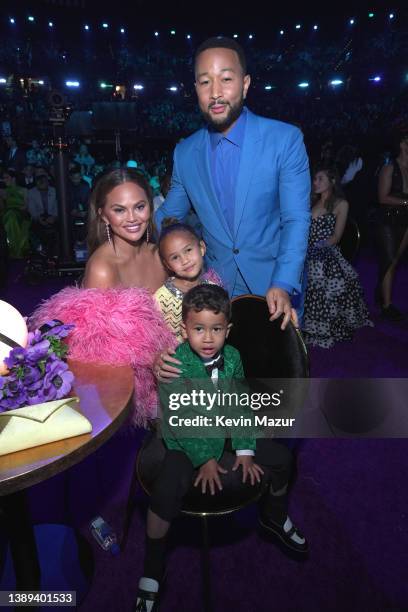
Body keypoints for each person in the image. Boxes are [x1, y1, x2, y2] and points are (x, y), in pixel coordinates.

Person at [135, 284, 307, 611]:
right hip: (183, 440)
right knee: (168, 486)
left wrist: (244, 450)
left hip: (225, 430)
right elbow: (180, 415)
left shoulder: (233, 357)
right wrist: (204, 461)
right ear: (185, 328)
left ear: (227, 330)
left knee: (283, 459)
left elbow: (239, 404)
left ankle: (274, 516)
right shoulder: (175, 363)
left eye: (216, 329)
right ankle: (153, 567)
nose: (208, 337)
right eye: (198, 329)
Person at [155, 36, 310, 379]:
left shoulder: (284, 139)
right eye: (205, 81)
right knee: (223, 382)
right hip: (216, 289)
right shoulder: (186, 151)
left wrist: (284, 281)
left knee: (278, 384)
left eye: (226, 78)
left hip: (274, 287)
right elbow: (169, 218)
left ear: (245, 83)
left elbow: (296, 218)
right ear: (195, 87)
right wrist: (129, 234)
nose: (215, 91)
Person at [30, 168, 174, 425]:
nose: (132, 218)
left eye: (139, 206)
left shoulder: (159, 254)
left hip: (175, 367)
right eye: (119, 210)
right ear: (104, 216)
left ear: (150, 208)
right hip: (138, 387)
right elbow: (97, 349)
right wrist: (151, 358)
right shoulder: (102, 267)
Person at [303, 167, 372, 348]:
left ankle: (322, 328)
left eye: (320, 178)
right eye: (314, 179)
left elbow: (336, 237)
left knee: (318, 274)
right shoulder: (310, 202)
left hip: (325, 253)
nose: (315, 182)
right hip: (304, 252)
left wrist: (316, 249)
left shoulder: (341, 204)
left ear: (332, 181)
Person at [154, 219, 222, 342]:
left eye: (188, 250)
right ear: (167, 265)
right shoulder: (161, 300)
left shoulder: (215, 289)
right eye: (175, 257)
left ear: (201, 248)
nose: (185, 260)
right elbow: (155, 341)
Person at [375, 129, 408, 321]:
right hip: (387, 219)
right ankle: (386, 305)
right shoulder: (389, 167)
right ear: (403, 144)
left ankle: (384, 299)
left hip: (405, 219)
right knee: (387, 259)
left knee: (395, 260)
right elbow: (382, 197)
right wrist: (405, 202)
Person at [0, 169, 30, 258]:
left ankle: (16, 250)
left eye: (6, 178)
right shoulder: (2, 191)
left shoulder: (24, 190)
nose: (4, 180)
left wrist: (20, 209)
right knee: (10, 215)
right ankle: (15, 250)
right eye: (3, 178)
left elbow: (26, 205)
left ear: (13, 179)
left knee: (12, 215)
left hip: (22, 213)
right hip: (7, 213)